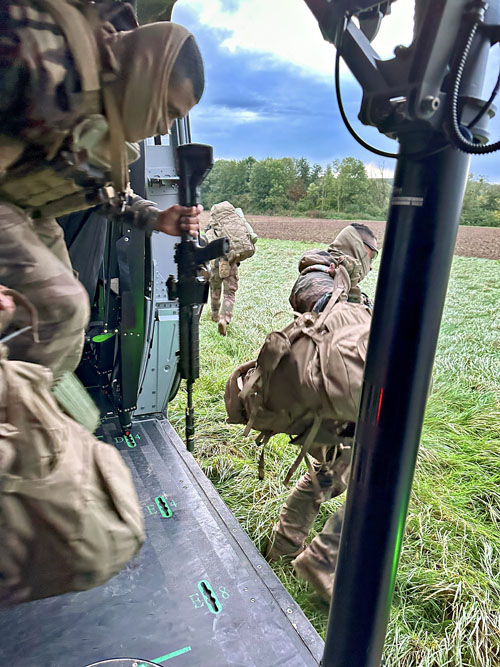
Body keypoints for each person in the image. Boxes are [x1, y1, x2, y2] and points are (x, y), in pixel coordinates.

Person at [0, 0, 204, 377]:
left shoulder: (104, 113)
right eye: (169, 111)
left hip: (21, 208)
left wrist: (158, 218)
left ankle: (32, 407)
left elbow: (102, 191)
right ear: (146, 76)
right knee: (60, 306)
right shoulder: (37, 49)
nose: (163, 129)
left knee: (68, 318)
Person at [266, 223, 378, 603]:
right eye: (370, 256)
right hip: (319, 397)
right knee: (374, 477)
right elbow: (314, 299)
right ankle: (323, 557)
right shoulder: (320, 271)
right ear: (356, 249)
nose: (371, 265)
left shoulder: (348, 283)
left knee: (331, 475)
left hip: (329, 398)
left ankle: (284, 547)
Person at [207, 203, 257, 336]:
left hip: (216, 263)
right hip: (232, 260)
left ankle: (214, 315)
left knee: (215, 289)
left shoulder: (212, 230)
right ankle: (224, 319)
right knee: (229, 293)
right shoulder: (236, 224)